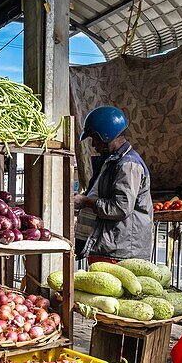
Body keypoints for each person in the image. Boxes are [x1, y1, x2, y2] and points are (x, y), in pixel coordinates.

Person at [73, 106, 154, 263]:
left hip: (121, 252)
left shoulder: (128, 165)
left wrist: (86, 202)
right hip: (111, 248)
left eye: (95, 139)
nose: (94, 145)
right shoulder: (112, 161)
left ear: (106, 135)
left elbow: (119, 208)